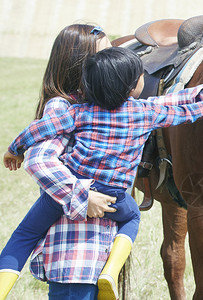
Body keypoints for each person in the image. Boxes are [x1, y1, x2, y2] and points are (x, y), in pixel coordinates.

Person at [2, 46, 203, 300]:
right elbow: (180, 110)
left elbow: (40, 128)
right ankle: (110, 272)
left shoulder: (78, 113)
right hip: (115, 198)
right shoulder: (143, 113)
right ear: (131, 88)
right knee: (132, 219)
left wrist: (14, 149)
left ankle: (2, 283)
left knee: (25, 234)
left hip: (75, 186)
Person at [0, 24, 119, 300]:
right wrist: (82, 196)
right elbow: (39, 160)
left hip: (90, 251)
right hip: (75, 254)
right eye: (105, 58)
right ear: (81, 67)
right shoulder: (62, 107)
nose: (112, 65)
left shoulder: (94, 107)